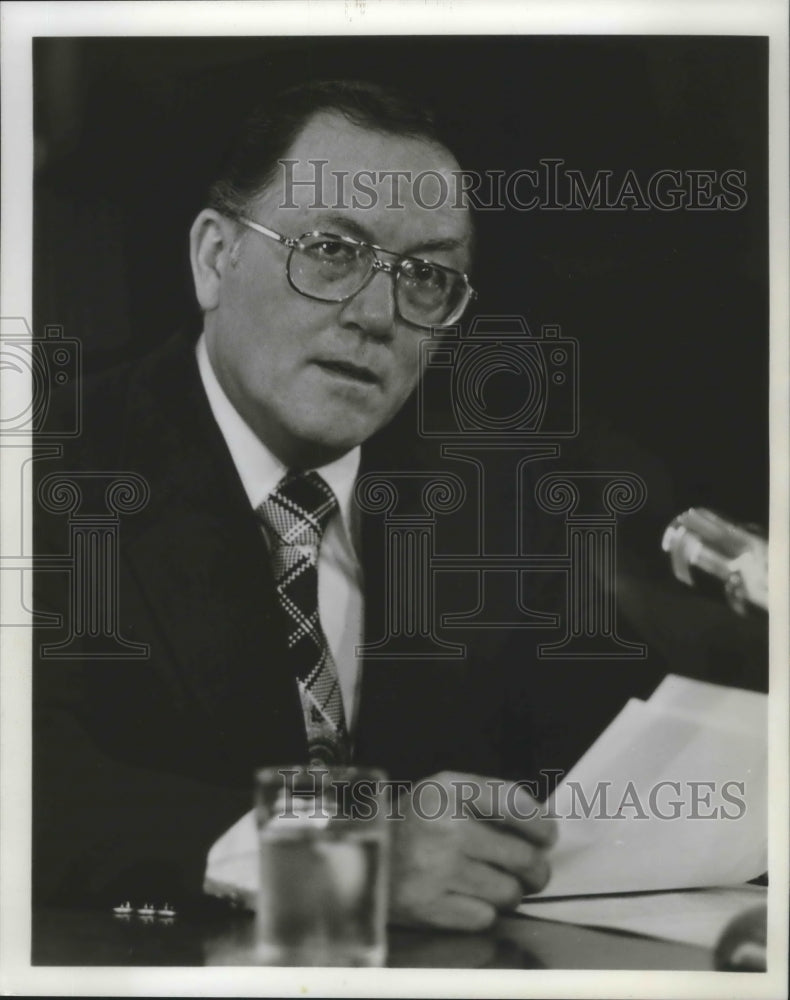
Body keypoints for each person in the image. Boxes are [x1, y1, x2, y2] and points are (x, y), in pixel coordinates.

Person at [33, 80, 561, 932]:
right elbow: (30, 784)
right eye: (331, 250)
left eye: (425, 276)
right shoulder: (44, 472)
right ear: (215, 258)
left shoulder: (481, 517)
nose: (379, 315)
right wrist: (343, 856)